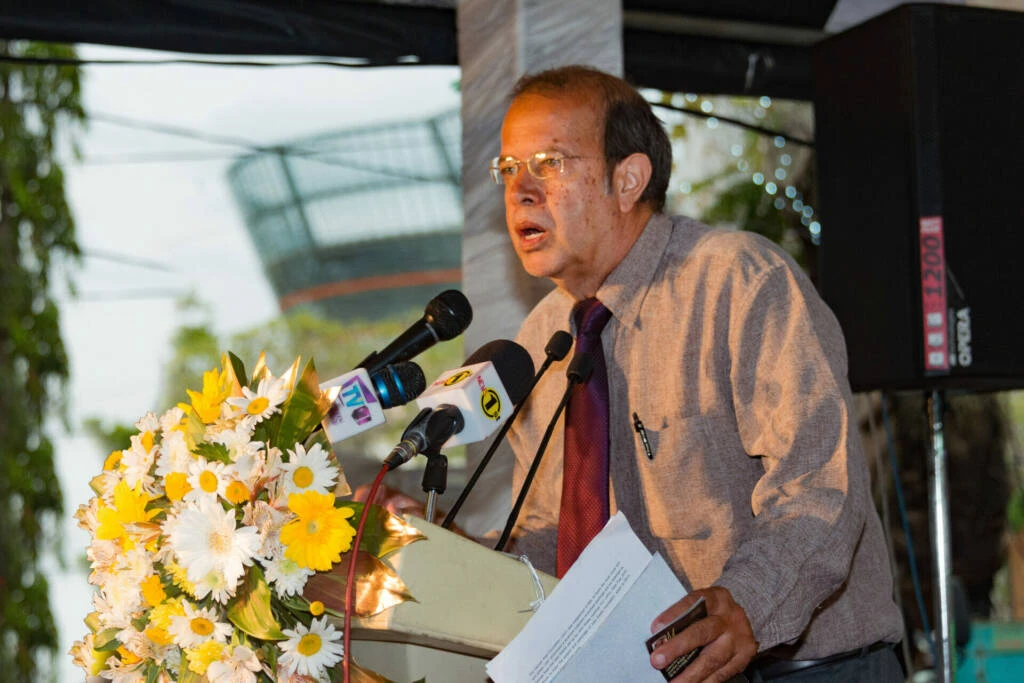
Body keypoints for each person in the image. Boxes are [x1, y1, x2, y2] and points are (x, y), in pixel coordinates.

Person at [495, 65, 905, 682]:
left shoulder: (739, 283)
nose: (521, 191)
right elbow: (551, 532)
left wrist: (746, 602)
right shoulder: (539, 343)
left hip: (805, 669)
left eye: (548, 163)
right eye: (507, 169)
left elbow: (821, 488)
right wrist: (448, 560)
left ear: (628, 178)